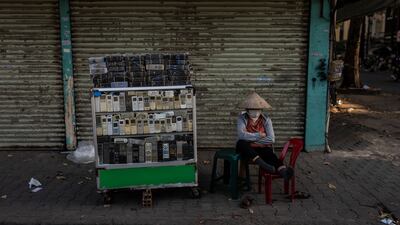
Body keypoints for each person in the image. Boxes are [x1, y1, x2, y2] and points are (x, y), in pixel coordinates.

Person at [236, 92, 293, 180]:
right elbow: (241, 135)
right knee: (241, 143)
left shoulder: (266, 119)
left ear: (261, 109)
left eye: (258, 108)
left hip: (261, 147)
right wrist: (259, 135)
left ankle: (284, 171)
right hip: (247, 148)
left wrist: (251, 140)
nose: (255, 111)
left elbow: (271, 139)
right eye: (252, 109)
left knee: (270, 154)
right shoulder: (242, 118)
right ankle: (262, 164)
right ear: (247, 110)